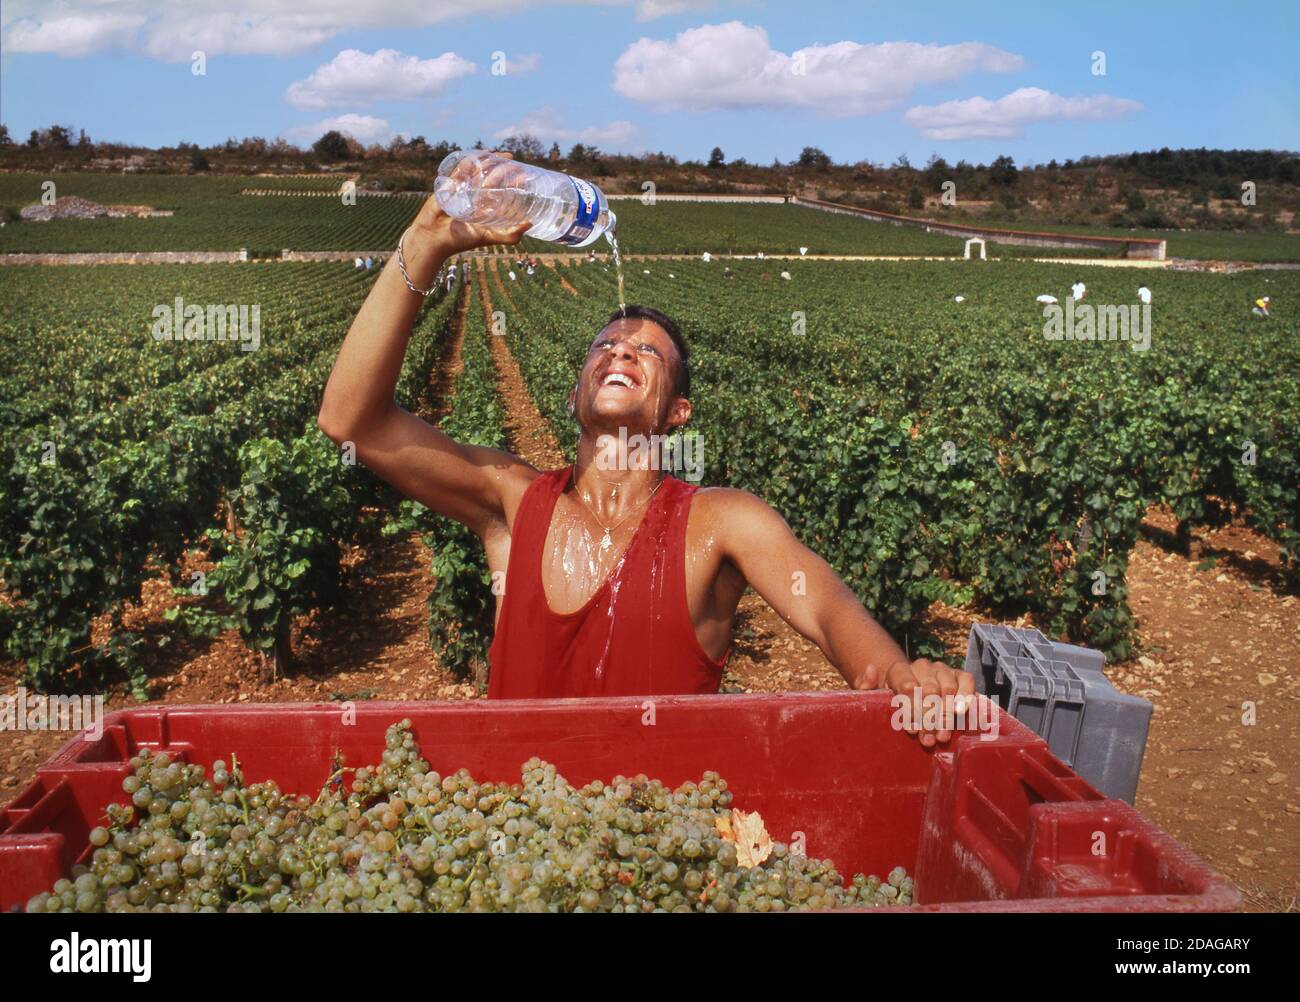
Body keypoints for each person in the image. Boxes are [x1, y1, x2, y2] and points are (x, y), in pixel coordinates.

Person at [317, 153, 973, 745]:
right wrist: (425, 242)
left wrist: (895, 675)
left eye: (647, 352)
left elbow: (828, 609)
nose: (621, 349)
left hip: (655, 850)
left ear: (677, 413)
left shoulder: (720, 522)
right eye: (603, 347)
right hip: (516, 843)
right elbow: (353, 422)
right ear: (576, 395)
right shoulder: (512, 503)